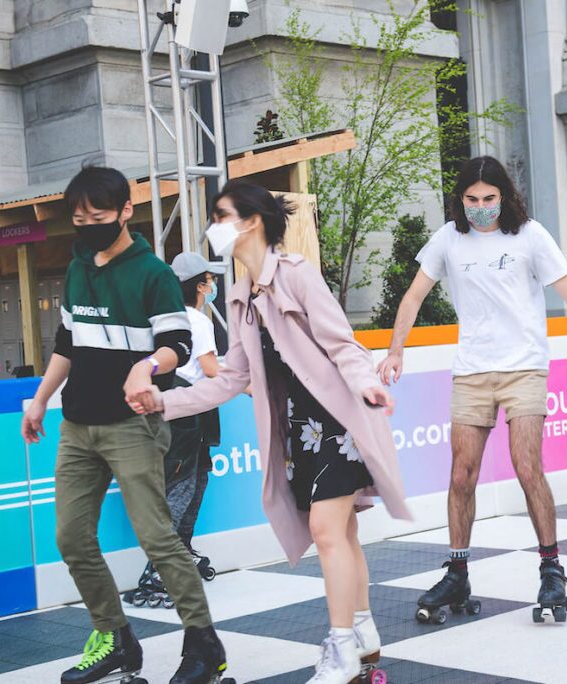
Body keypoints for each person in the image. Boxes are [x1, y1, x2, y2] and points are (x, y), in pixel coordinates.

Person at [127, 180, 411, 684]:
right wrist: (164, 402)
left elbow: (343, 343)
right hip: (298, 430)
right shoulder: (239, 297)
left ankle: (343, 646)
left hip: (337, 419)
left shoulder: (298, 275)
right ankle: (363, 628)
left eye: (221, 214)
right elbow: (231, 378)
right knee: (342, 532)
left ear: (251, 221)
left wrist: (368, 384)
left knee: (326, 531)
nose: (213, 226)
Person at [20, 167, 229, 684]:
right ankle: (114, 637)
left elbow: (177, 345)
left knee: (158, 537)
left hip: (131, 426)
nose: (87, 224)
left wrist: (146, 366)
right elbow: (67, 345)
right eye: (78, 217)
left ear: (125, 213)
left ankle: (204, 644)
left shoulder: (152, 273)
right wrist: (41, 399)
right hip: (76, 427)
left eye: (98, 215)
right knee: (71, 537)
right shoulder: (76, 269)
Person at [376, 156, 567, 624]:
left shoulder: (530, 235)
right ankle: (458, 571)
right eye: (473, 200)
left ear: (504, 196)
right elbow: (414, 295)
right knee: (461, 475)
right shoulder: (449, 239)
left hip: (523, 368)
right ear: (461, 200)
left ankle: (551, 568)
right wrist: (396, 350)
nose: (481, 208)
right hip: (472, 371)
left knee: (527, 467)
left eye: (489, 199)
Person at [123, 252, 225, 609]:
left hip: (183, 411)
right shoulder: (198, 320)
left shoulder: (166, 320)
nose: (213, 286)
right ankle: (160, 568)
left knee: (195, 482)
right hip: (186, 414)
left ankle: (179, 553)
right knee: (182, 489)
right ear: (199, 286)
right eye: (210, 280)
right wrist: (247, 382)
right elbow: (211, 369)